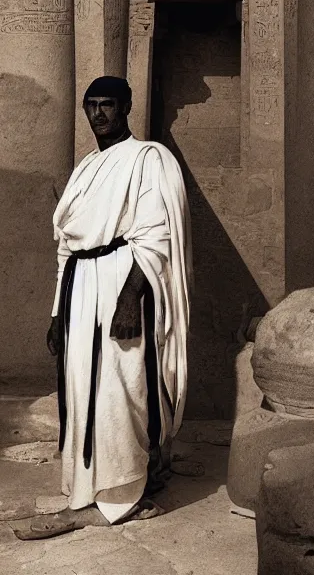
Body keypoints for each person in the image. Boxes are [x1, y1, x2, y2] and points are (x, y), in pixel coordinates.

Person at [15, 76, 192, 539]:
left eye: (108, 104)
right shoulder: (87, 167)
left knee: (123, 389)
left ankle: (122, 495)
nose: (98, 113)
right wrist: (58, 312)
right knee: (81, 392)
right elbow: (67, 247)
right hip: (79, 291)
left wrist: (130, 297)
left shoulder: (148, 159)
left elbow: (155, 238)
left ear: (127, 106)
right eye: (91, 105)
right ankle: (86, 490)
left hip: (121, 286)